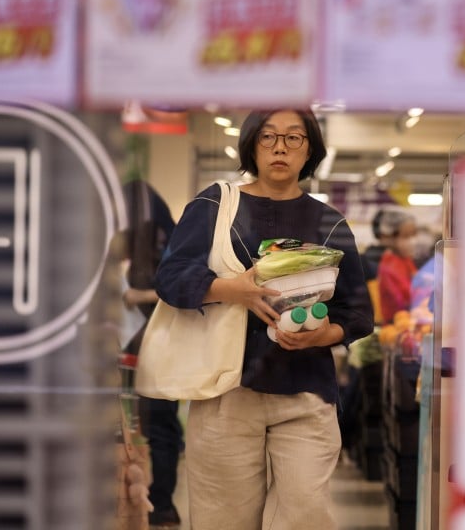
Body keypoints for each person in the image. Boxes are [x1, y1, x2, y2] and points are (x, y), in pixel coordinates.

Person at [153, 108, 374, 530]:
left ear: (310, 149)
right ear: (252, 144)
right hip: (225, 388)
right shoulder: (216, 205)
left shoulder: (330, 222)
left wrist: (325, 334)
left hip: (306, 392)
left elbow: (359, 312)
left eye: (294, 138)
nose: (279, 147)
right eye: (268, 136)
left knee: (305, 514)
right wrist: (229, 289)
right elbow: (170, 277)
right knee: (224, 518)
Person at [120, 179, 183, 529]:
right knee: (160, 426)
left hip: (151, 347)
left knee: (156, 426)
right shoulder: (168, 240)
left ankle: (157, 503)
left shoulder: (153, 247)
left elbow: (181, 289)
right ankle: (159, 504)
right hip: (155, 348)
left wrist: (138, 296)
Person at [375, 209, 418, 324]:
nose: (412, 241)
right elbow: (402, 302)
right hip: (397, 326)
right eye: (405, 236)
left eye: (413, 235)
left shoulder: (406, 260)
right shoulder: (389, 266)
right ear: (389, 238)